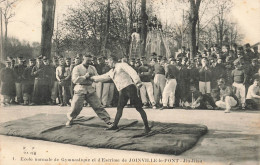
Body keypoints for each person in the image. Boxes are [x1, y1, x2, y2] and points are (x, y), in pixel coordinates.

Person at [91, 55, 151, 133]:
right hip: (122, 90)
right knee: (119, 107)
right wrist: (92, 78)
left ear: (112, 61)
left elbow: (132, 71)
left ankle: (147, 126)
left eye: (108, 62)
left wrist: (137, 81)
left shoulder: (122, 65)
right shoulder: (111, 71)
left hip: (130, 88)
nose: (108, 64)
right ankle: (115, 125)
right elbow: (103, 77)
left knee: (138, 108)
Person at [66, 54, 112, 128]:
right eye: (87, 61)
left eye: (90, 61)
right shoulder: (77, 68)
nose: (89, 62)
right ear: (83, 59)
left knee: (98, 105)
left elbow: (96, 77)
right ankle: (70, 119)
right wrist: (85, 77)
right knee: (75, 107)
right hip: (80, 88)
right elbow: (74, 80)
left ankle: (107, 120)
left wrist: (97, 78)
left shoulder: (92, 67)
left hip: (90, 89)